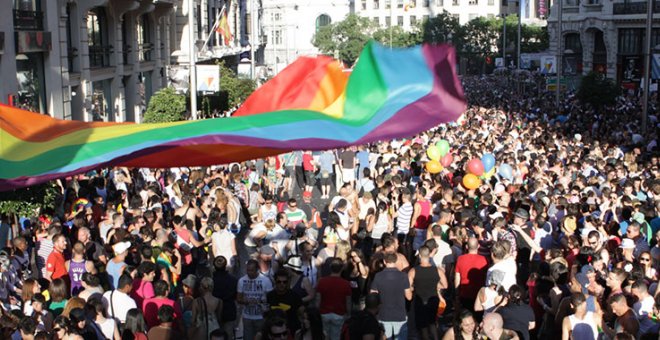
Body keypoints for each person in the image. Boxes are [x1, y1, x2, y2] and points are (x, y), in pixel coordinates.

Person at [370, 252, 412, 340]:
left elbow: (372, 294)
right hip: (400, 314)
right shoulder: (403, 276)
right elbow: (409, 297)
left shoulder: (378, 276)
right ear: (396, 261)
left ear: (384, 262)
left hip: (383, 314)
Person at [408, 246, 446, 340]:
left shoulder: (413, 271)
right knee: (432, 323)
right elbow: (445, 285)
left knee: (423, 327)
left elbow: (408, 287)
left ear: (420, 256)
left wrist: (414, 287)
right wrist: (436, 286)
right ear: (429, 255)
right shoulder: (438, 270)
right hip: (433, 300)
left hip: (420, 301)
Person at [316, 257, 352, 340]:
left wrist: (317, 311)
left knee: (324, 336)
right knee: (336, 337)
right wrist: (349, 313)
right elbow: (348, 301)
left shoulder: (322, 281)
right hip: (339, 314)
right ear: (342, 268)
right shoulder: (346, 284)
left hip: (324, 313)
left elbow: (318, 299)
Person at [237, 259, 274, 340]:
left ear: (257, 270)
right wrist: (245, 301)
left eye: (252, 270)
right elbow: (238, 298)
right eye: (248, 270)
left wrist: (260, 302)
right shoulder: (242, 281)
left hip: (261, 316)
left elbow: (271, 298)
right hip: (247, 316)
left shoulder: (265, 280)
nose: (249, 272)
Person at [455, 237, 488, 312]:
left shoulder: (460, 259)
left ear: (466, 247)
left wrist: (457, 293)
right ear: (478, 246)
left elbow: (457, 277)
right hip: (479, 295)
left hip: (464, 293)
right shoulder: (484, 259)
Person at [211, 256, 238, 338]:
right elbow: (236, 295)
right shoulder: (233, 279)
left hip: (215, 311)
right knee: (229, 335)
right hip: (229, 310)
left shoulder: (211, 281)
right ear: (225, 265)